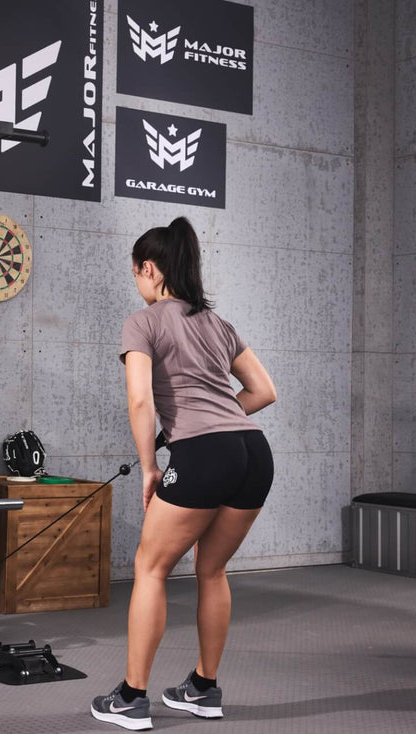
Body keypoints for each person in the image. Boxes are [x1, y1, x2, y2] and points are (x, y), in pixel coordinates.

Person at [90, 217, 277, 730]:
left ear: (149, 269)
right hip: (253, 452)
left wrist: (152, 466)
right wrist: (218, 422)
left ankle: (131, 698)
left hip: (204, 455)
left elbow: (140, 397)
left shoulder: (142, 322)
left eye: (137, 273)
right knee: (211, 570)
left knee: (150, 567)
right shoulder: (218, 324)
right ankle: (203, 688)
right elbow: (264, 392)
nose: (138, 283)